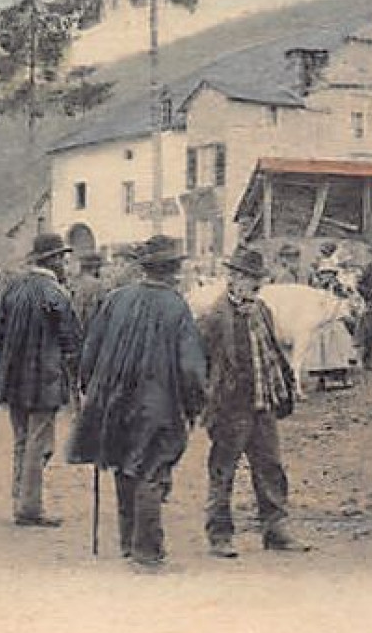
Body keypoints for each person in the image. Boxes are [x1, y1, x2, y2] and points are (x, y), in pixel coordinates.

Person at [69, 234, 207, 569]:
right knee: (151, 469)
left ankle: (128, 542)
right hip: (157, 404)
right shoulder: (176, 306)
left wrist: (89, 389)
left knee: (123, 465)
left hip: (113, 399)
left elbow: (91, 347)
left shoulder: (117, 298)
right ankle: (147, 550)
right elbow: (191, 367)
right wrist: (195, 404)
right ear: (173, 270)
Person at [197, 246, 309, 558]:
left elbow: (273, 354)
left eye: (257, 278)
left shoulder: (262, 311)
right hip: (230, 408)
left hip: (264, 405)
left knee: (271, 468)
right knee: (223, 471)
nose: (255, 284)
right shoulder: (214, 317)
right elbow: (201, 364)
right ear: (231, 278)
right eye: (247, 277)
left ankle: (276, 531)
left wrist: (283, 391)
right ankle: (219, 536)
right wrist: (209, 403)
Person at [0, 234, 82, 526]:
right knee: (39, 444)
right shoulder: (56, 293)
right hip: (45, 379)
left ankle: (20, 499)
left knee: (22, 440)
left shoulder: (11, 288)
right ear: (51, 260)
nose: (65, 264)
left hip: (14, 377)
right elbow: (72, 338)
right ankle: (30, 508)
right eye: (62, 259)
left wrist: (7, 355)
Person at [67, 251, 109, 335]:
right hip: (89, 332)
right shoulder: (97, 285)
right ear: (94, 269)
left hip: (72, 331)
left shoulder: (73, 282)